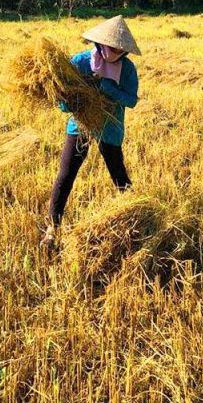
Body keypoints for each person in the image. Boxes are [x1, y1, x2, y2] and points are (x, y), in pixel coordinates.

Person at [41, 15, 141, 247]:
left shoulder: (127, 69)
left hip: (110, 125)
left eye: (118, 48)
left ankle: (136, 217)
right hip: (81, 125)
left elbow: (131, 100)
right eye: (110, 46)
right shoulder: (80, 62)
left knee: (118, 173)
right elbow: (62, 98)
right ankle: (52, 228)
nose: (113, 51)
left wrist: (107, 87)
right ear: (99, 43)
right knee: (66, 173)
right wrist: (69, 103)